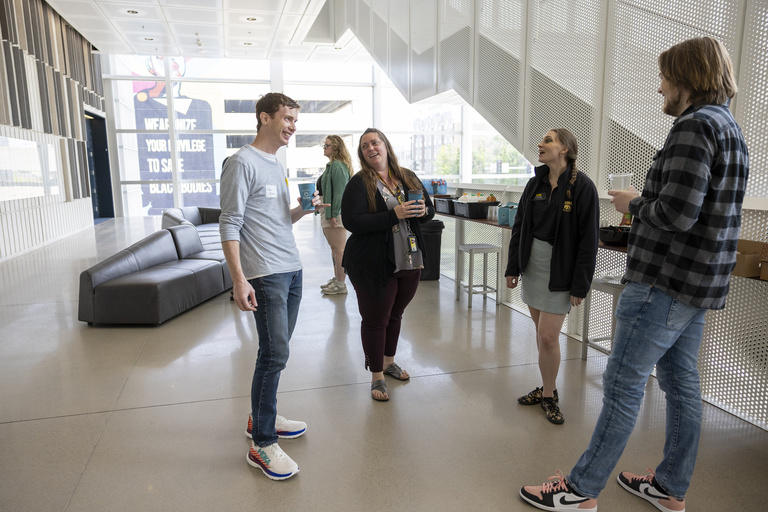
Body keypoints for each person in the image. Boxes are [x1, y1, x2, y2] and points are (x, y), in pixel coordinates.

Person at [520, 36, 748, 512]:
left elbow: (678, 212)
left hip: (663, 281)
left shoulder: (693, 127)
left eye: (665, 76)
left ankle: (581, 490)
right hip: (698, 286)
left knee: (623, 384)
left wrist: (632, 204)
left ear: (687, 78)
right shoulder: (730, 128)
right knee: (683, 386)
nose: (660, 86)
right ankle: (670, 486)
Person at [219, 92, 324, 481]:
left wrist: (304, 209)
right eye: (286, 118)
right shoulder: (240, 162)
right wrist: (238, 279)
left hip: (291, 269)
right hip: (264, 275)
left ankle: (261, 415)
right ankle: (262, 443)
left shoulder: (276, 163)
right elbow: (229, 223)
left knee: (275, 352)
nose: (292, 127)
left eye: (295, 121)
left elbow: (281, 218)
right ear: (264, 117)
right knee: (275, 353)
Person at [505, 128, 599, 425]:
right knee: (542, 334)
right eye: (542, 139)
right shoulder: (535, 183)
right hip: (533, 267)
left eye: (547, 140)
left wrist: (580, 284)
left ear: (564, 150)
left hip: (561, 272)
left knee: (547, 337)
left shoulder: (583, 187)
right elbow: (520, 227)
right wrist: (512, 267)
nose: (540, 144)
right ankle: (548, 387)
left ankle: (548, 394)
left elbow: (588, 240)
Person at [341, 128, 435, 401]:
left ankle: (389, 361)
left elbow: (428, 210)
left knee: (395, 315)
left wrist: (424, 211)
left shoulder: (407, 176)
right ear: (362, 154)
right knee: (375, 320)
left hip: (409, 260)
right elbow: (352, 222)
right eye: (365, 146)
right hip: (371, 264)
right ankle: (376, 376)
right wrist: (392, 215)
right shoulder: (359, 183)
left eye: (375, 142)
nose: (371, 148)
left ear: (385, 145)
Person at [317, 135, 354, 295]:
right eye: (324, 145)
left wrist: (333, 214)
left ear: (336, 148)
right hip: (330, 211)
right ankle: (337, 277)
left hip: (335, 213)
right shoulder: (332, 165)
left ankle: (341, 283)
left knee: (339, 250)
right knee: (335, 249)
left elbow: (340, 193)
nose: (324, 148)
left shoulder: (338, 166)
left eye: (327, 145)